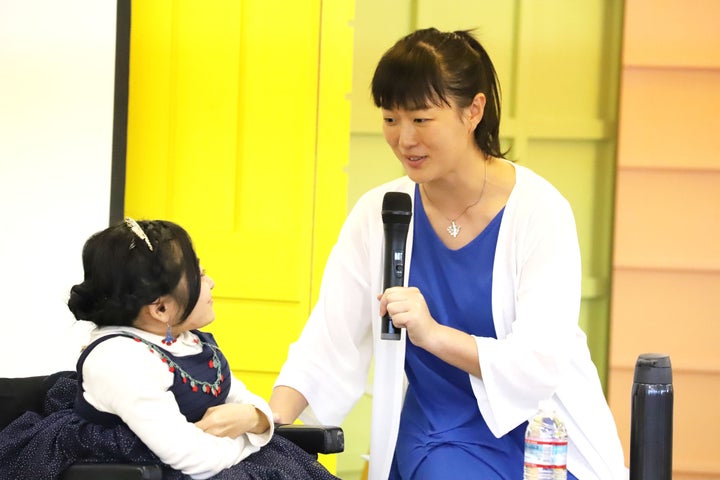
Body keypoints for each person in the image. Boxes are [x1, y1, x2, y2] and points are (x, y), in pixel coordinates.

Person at [269, 27, 627, 480]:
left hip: (545, 433)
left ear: (473, 110)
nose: (404, 139)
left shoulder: (539, 210)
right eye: (390, 118)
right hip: (441, 437)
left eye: (421, 119)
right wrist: (266, 426)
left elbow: (541, 360)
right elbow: (327, 340)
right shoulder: (378, 214)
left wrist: (433, 334)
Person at [0, 218, 338, 480]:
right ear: (160, 309)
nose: (212, 283)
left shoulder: (191, 341)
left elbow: (249, 403)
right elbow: (192, 458)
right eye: (200, 276)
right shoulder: (119, 359)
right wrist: (248, 439)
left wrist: (254, 418)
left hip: (209, 458)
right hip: (173, 465)